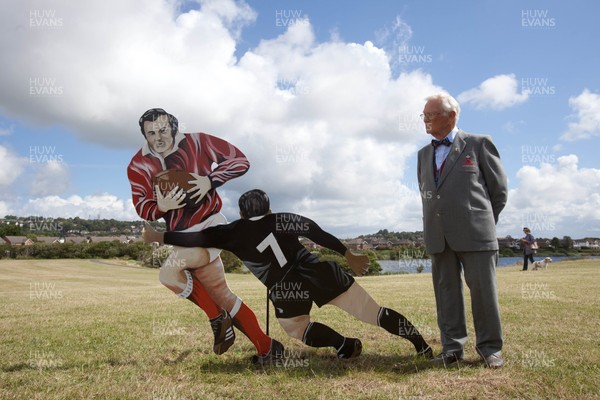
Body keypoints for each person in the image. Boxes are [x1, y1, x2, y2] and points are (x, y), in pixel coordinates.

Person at [143, 189, 433, 360]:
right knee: (375, 312)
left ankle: (344, 344)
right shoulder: (283, 218)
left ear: (242, 214)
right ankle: (422, 347)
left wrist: (158, 234)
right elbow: (317, 233)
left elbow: (194, 240)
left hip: (283, 287)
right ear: (269, 208)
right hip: (317, 271)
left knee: (297, 329)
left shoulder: (232, 231)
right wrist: (348, 254)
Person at [127, 108, 281, 362]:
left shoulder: (198, 142)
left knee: (168, 273)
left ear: (174, 128)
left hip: (210, 228)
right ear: (144, 134)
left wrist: (210, 180)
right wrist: (161, 207)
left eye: (163, 130)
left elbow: (240, 160)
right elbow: (142, 206)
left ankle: (216, 317)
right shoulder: (138, 164)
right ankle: (268, 347)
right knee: (223, 295)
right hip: (182, 237)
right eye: (151, 133)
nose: (158, 137)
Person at [416, 93, 508, 368]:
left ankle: (490, 349)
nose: (426, 121)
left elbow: (498, 191)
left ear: (452, 115)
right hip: (438, 235)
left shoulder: (479, 144)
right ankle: (451, 349)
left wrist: (482, 222)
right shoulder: (423, 155)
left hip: (477, 235)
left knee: (484, 294)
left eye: (431, 115)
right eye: (424, 116)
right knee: (446, 295)